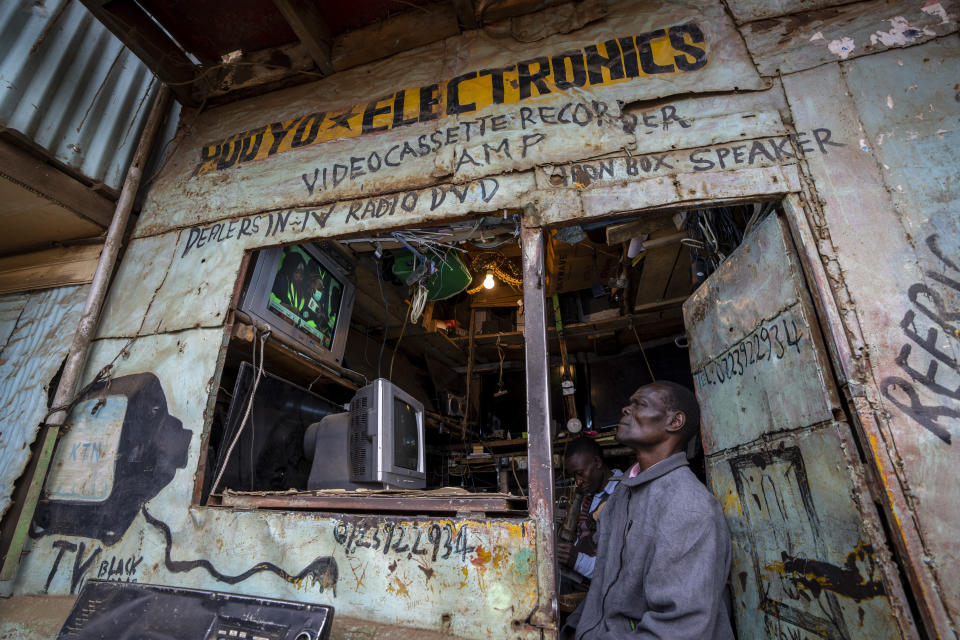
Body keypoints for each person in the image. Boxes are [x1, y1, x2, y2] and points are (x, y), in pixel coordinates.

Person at [566, 381, 734, 640]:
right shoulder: (623, 494)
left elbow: (678, 629)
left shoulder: (689, 507)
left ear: (675, 422)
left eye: (639, 404)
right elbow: (602, 590)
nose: (625, 409)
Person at [557, 438, 622, 590]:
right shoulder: (591, 494)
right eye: (574, 476)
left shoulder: (622, 495)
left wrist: (576, 560)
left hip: (602, 586)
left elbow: (618, 568)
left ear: (597, 463)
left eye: (580, 474)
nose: (578, 481)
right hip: (581, 577)